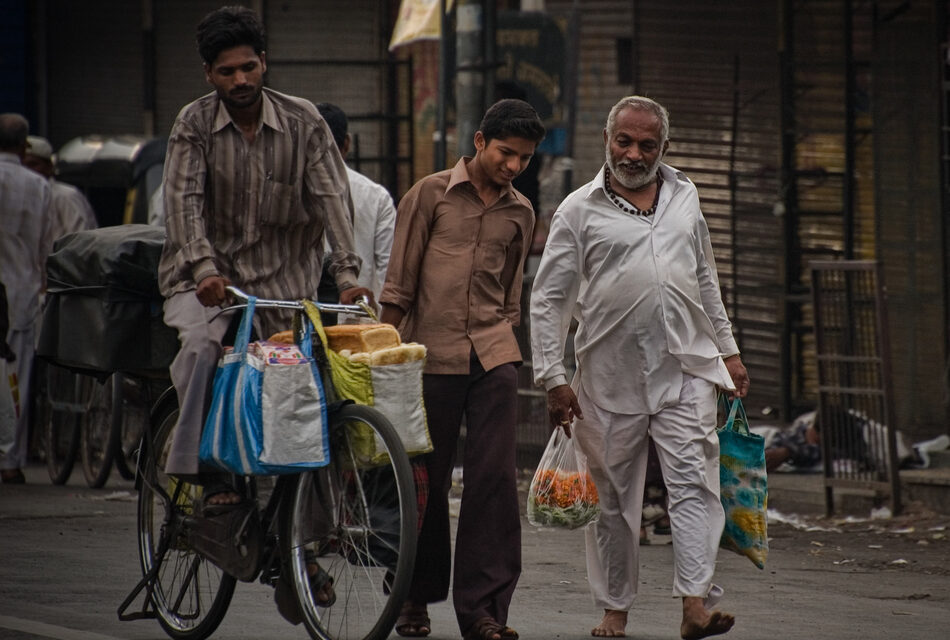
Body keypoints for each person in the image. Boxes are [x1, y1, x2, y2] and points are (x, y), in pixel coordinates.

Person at [529, 95, 750, 640]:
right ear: (607, 140)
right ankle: (614, 608)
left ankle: (694, 604)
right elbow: (550, 299)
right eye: (624, 142)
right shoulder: (578, 209)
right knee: (613, 500)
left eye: (646, 145)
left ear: (663, 147)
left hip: (686, 365)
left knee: (695, 484)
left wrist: (728, 350)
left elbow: (704, 276)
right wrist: (553, 377)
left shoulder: (684, 194)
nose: (633, 154)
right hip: (608, 376)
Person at [158, 6, 370, 498]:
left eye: (248, 67)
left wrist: (347, 276)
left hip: (282, 287)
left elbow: (333, 203)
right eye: (227, 71)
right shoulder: (193, 124)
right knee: (202, 349)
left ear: (264, 62)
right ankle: (203, 474)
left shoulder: (304, 121)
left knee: (310, 389)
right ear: (209, 74)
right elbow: (183, 204)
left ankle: (311, 533)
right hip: (204, 284)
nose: (240, 80)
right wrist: (204, 268)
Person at [379, 98, 545, 640]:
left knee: (493, 482)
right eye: (505, 153)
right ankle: (413, 595)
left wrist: (510, 346)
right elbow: (399, 285)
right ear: (479, 141)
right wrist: (381, 354)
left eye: (524, 158)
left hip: (494, 358)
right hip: (431, 356)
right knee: (423, 479)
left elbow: (511, 296)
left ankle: (483, 613)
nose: (514, 166)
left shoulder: (521, 212)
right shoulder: (429, 195)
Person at [0, 114, 53, 484]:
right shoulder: (38, 185)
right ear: (23, 146)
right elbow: (46, 244)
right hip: (20, 290)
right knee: (15, 376)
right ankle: (10, 459)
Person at [316, 102, 396, 301]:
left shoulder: (288, 191)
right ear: (347, 143)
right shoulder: (376, 197)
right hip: (356, 312)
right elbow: (389, 272)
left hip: (301, 313)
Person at [23, 136, 98, 242]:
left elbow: (80, 239)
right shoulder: (18, 194)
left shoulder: (65, 196)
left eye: (32, 164)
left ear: (49, 166)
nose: (27, 170)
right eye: (22, 165)